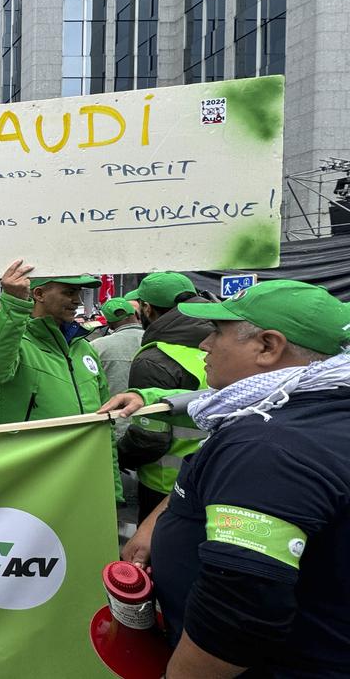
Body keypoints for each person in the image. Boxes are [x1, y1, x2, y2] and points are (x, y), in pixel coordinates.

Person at [100, 280, 350, 677]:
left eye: (217, 332)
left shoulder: (268, 446)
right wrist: (159, 521)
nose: (204, 345)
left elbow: (239, 616)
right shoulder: (308, 406)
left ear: (268, 346)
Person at [0, 261, 116, 498]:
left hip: (83, 479)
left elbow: (104, 423)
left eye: (78, 293)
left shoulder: (84, 348)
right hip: (28, 482)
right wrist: (14, 303)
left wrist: (111, 487)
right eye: (69, 292)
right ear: (38, 294)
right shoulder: (11, 340)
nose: (78, 301)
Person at [118, 272, 213, 521]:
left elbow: (149, 439)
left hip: (164, 486)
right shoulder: (223, 344)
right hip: (215, 477)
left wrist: (117, 457)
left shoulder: (155, 359)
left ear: (147, 308)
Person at [90, 296, 143, 396]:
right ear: (137, 315)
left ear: (109, 325)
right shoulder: (157, 339)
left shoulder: (95, 346)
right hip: (154, 406)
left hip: (113, 409)